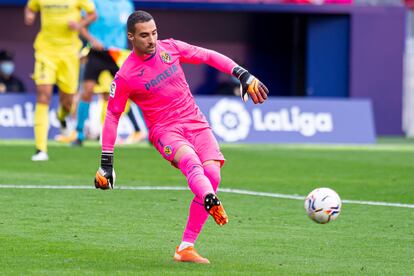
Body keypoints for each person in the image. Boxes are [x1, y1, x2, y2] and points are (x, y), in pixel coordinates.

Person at [93, 10, 269, 264]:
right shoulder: (125, 76)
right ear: (131, 37)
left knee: (214, 175)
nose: (152, 40)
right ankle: (209, 199)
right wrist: (106, 162)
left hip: (195, 121)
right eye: (144, 35)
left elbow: (207, 55)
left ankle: (186, 247)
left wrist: (242, 74)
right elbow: (112, 116)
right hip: (165, 131)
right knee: (191, 163)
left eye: (154, 33)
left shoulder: (171, 48)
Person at [24, 0, 97, 161]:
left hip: (70, 54)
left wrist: (80, 25)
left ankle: (62, 117)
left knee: (68, 101)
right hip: (45, 52)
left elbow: (93, 14)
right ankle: (40, 149)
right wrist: (29, 15)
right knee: (43, 95)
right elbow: (30, 8)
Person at [72, 0, 135, 146]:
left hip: (118, 54)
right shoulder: (94, 3)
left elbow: (133, 30)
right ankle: (79, 134)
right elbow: (81, 27)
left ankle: (145, 131)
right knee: (87, 91)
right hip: (96, 53)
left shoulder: (127, 5)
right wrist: (92, 40)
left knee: (125, 92)